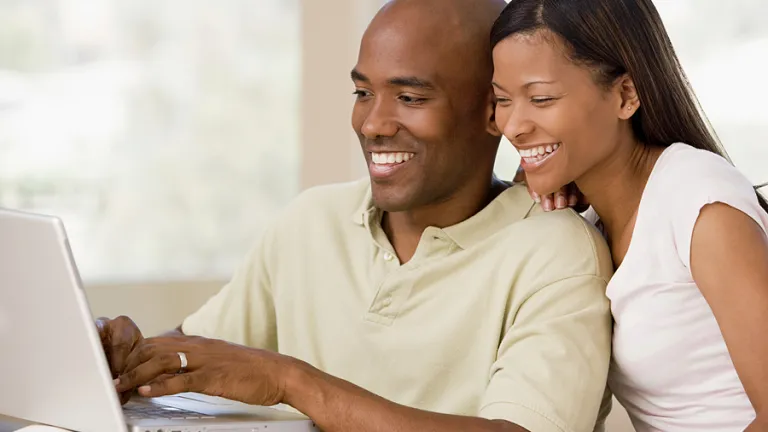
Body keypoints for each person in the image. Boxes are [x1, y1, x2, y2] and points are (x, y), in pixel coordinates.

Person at [99, 1, 616, 431]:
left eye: (410, 97)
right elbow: (200, 352)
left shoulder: (556, 252)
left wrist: (290, 381)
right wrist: (124, 358)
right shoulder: (311, 221)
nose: (372, 124)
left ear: (493, 111)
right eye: (363, 92)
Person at [490, 0, 768, 431]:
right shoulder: (594, 217)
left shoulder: (699, 204)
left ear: (625, 95)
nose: (513, 126)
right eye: (502, 100)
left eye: (541, 98)